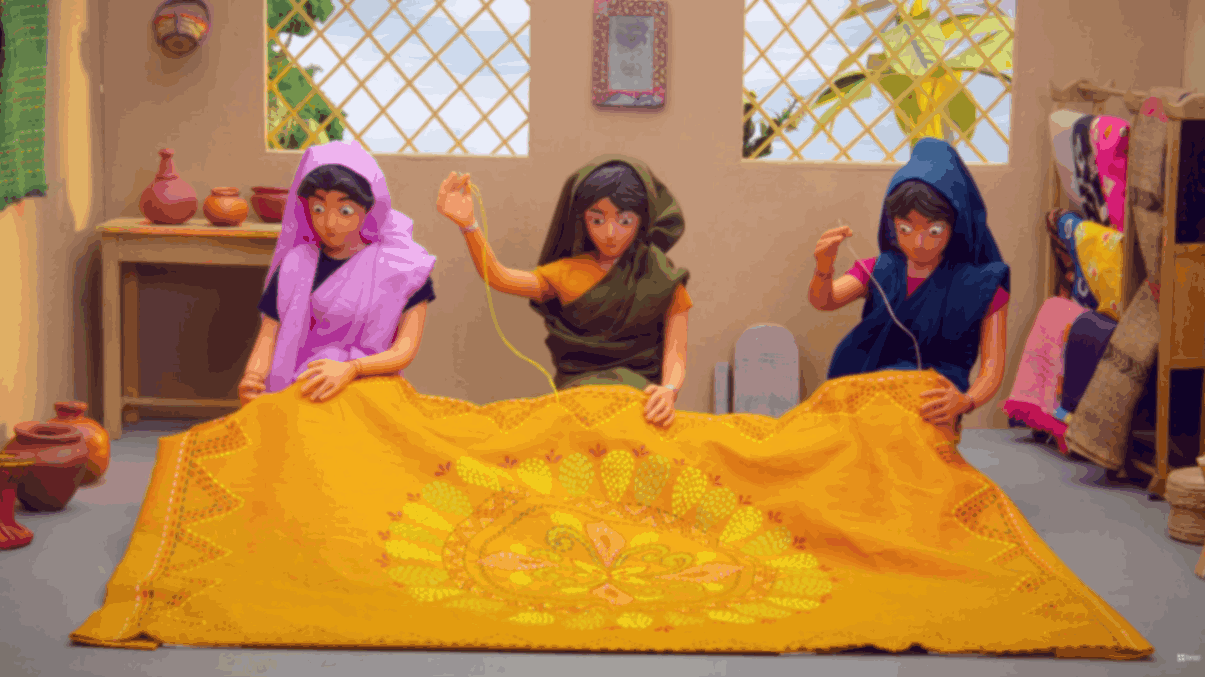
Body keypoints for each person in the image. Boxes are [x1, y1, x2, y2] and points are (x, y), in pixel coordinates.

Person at [435, 155, 690, 426]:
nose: (610, 232)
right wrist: (469, 225)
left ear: (642, 219)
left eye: (624, 220)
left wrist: (669, 390)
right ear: (582, 220)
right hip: (577, 404)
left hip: (642, 406)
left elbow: (675, 352)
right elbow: (499, 276)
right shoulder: (566, 273)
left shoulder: (662, 277)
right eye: (597, 220)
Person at [810, 138, 1010, 432]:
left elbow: (992, 368)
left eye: (934, 230)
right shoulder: (877, 269)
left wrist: (965, 401)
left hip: (930, 409)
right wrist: (824, 267)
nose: (919, 242)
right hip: (861, 392)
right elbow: (825, 300)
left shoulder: (984, 285)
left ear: (955, 224)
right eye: (905, 228)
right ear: (892, 224)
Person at [238, 141, 436, 405]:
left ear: (369, 208)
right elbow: (269, 333)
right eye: (318, 209)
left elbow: (404, 350)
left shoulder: (405, 268)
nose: (329, 223)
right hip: (302, 387)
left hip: (369, 390)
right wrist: (253, 378)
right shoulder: (295, 264)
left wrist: (353, 368)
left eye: (345, 211)